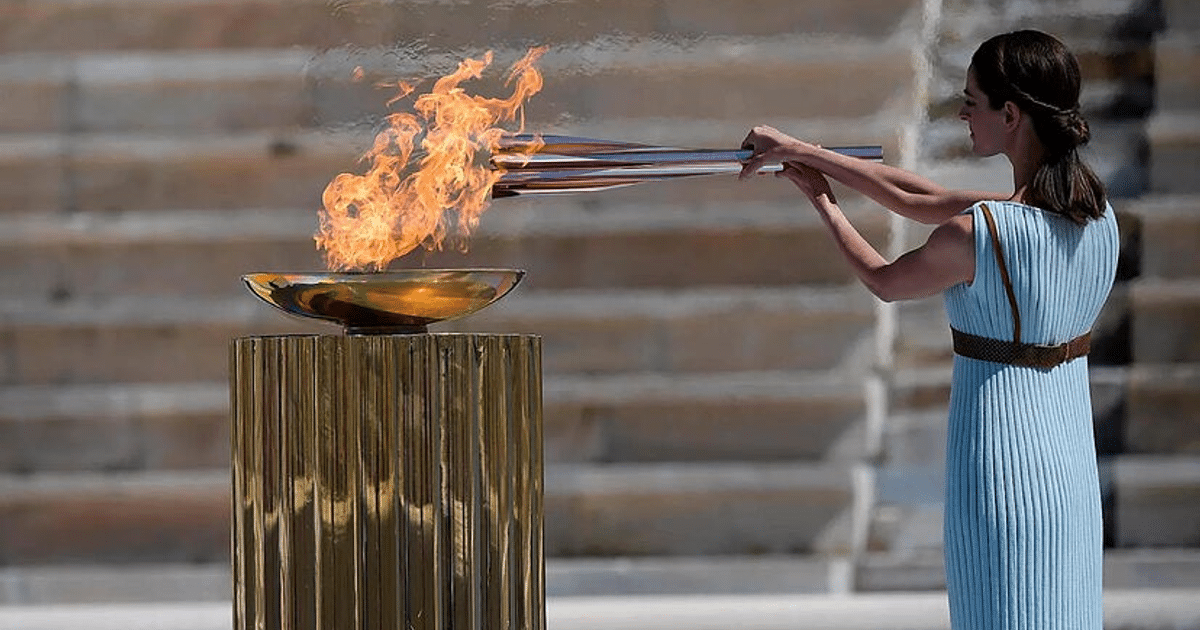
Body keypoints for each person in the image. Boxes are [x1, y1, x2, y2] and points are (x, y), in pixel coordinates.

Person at [739, 30, 1118, 628]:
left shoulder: (980, 235)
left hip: (1002, 471)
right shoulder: (1096, 217)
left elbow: (885, 280)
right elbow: (919, 197)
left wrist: (822, 199)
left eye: (971, 101)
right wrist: (803, 150)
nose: (963, 114)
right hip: (1069, 474)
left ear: (1011, 115)